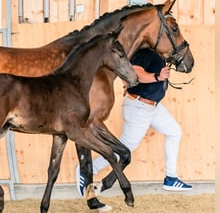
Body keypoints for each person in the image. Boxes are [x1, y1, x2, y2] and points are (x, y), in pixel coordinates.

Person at [76, 48, 192, 197]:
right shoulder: (146, 53)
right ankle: (87, 169)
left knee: (174, 132)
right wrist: (158, 76)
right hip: (140, 108)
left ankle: (171, 178)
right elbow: (135, 72)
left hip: (154, 108)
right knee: (124, 148)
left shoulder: (159, 55)